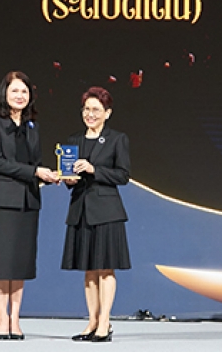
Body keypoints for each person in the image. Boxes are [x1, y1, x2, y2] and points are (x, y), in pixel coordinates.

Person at [0, 71, 60, 340]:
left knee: (20, 264)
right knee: (2, 263)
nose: (20, 96)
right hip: (2, 201)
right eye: (15, 90)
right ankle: (2, 319)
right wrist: (36, 172)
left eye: (24, 91)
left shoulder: (32, 126)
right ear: (4, 93)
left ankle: (16, 319)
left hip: (28, 200)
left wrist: (52, 176)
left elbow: (35, 163)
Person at [62, 87, 131, 343]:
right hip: (80, 210)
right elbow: (69, 176)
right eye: (86, 109)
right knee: (88, 270)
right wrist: (68, 179)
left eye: (96, 110)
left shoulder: (117, 139)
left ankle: (105, 323)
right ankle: (92, 321)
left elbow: (123, 175)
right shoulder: (73, 140)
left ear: (107, 113)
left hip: (106, 212)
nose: (90, 114)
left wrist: (94, 169)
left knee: (105, 269)